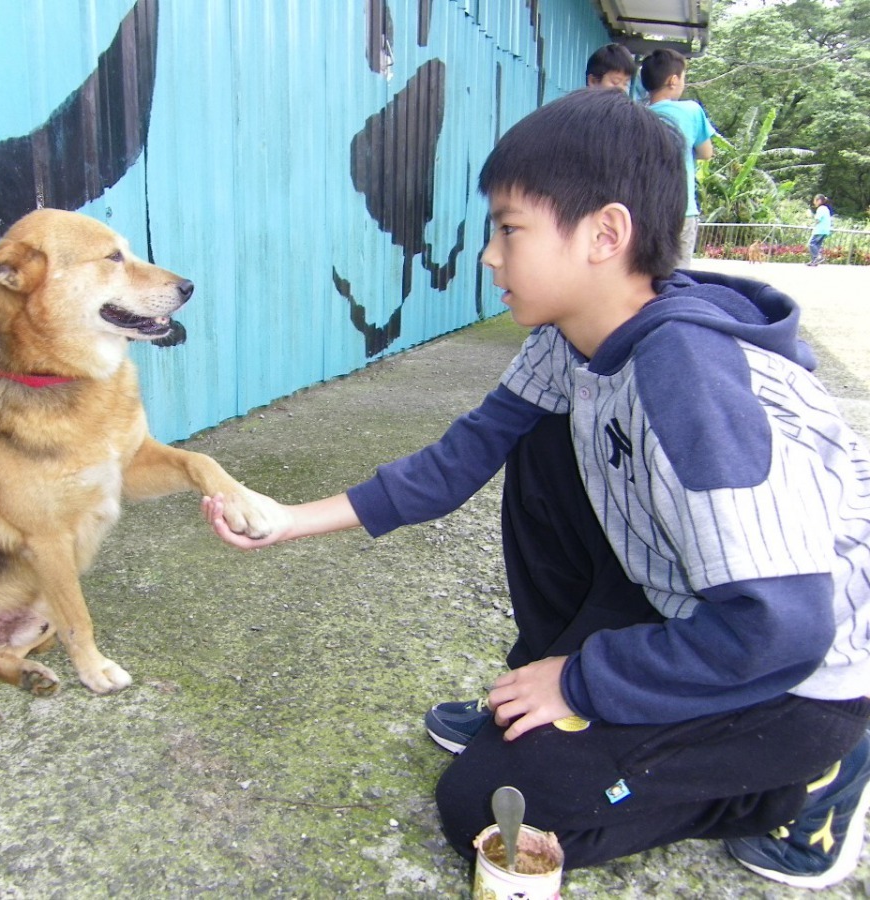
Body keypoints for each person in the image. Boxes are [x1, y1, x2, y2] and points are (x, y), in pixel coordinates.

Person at [202, 89, 870, 890]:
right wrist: (287, 520)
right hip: (694, 611)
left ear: (605, 235)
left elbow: (782, 629)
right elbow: (461, 458)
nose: (489, 255)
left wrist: (580, 684)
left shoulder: (690, 381)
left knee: (487, 810)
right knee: (539, 436)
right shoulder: (575, 337)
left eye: (509, 229)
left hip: (798, 676)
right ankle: (536, 695)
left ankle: (795, 787)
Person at [639, 48, 717, 269]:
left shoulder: (637, 114)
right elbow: (706, 153)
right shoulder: (691, 111)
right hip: (682, 209)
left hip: (646, 211)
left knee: (647, 274)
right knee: (678, 277)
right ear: (673, 80)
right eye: (683, 77)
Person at [808, 194, 833, 266]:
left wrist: (811, 223)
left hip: (820, 230)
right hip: (825, 230)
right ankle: (814, 261)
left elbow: (818, 220)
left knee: (811, 244)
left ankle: (818, 257)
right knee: (817, 245)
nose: (814, 202)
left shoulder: (821, 208)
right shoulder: (826, 208)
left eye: (815, 201)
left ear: (819, 201)